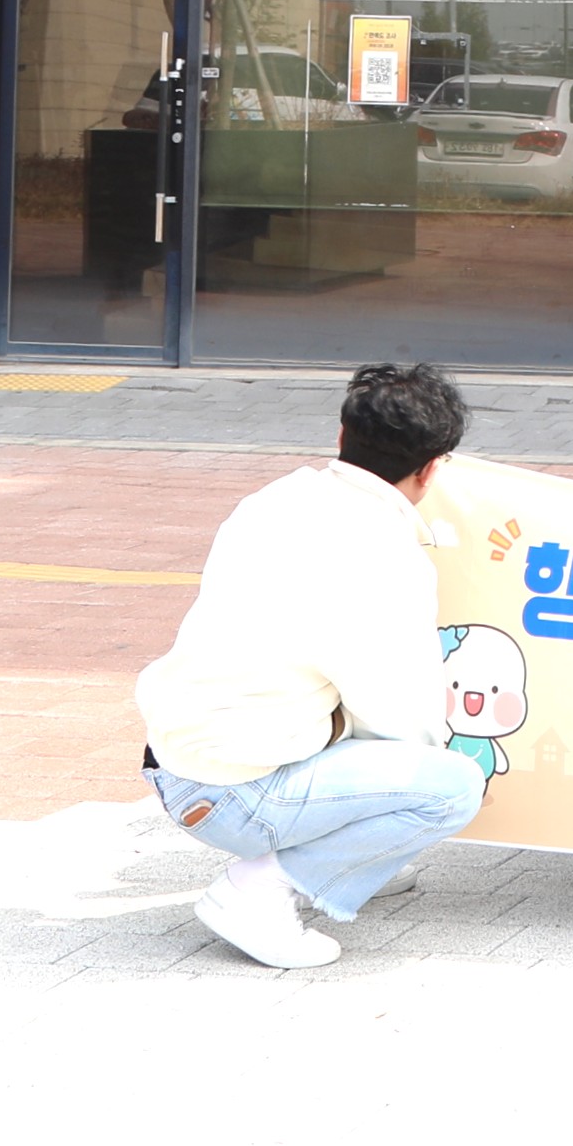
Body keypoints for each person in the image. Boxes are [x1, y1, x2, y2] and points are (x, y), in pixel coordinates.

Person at [136, 363, 488, 971]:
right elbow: (403, 713)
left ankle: (351, 861)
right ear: (432, 469)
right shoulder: (386, 552)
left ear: (342, 435)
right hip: (238, 795)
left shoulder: (275, 498)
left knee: (358, 724)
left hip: (175, 758)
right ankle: (259, 893)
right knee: (450, 787)